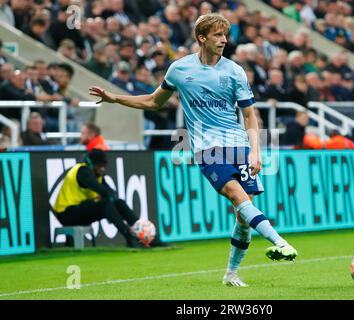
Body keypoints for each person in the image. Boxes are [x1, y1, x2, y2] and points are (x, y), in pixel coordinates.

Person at [89, 13, 298, 287]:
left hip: (238, 145)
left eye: (225, 35)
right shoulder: (179, 69)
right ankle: (280, 242)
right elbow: (154, 101)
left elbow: (249, 116)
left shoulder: (234, 71)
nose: (224, 40)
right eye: (218, 35)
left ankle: (231, 273)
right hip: (207, 148)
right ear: (202, 38)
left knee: (243, 216)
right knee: (235, 194)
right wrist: (115, 98)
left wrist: (255, 151)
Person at [52, 149, 165, 248]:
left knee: (119, 203)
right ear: (92, 164)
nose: (103, 169)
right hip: (66, 214)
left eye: (104, 166)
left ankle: (147, 235)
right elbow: (102, 191)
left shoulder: (97, 175)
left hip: (79, 209)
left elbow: (112, 194)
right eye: (100, 166)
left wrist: (110, 199)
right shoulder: (82, 171)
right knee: (106, 203)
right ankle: (129, 237)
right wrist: (104, 197)